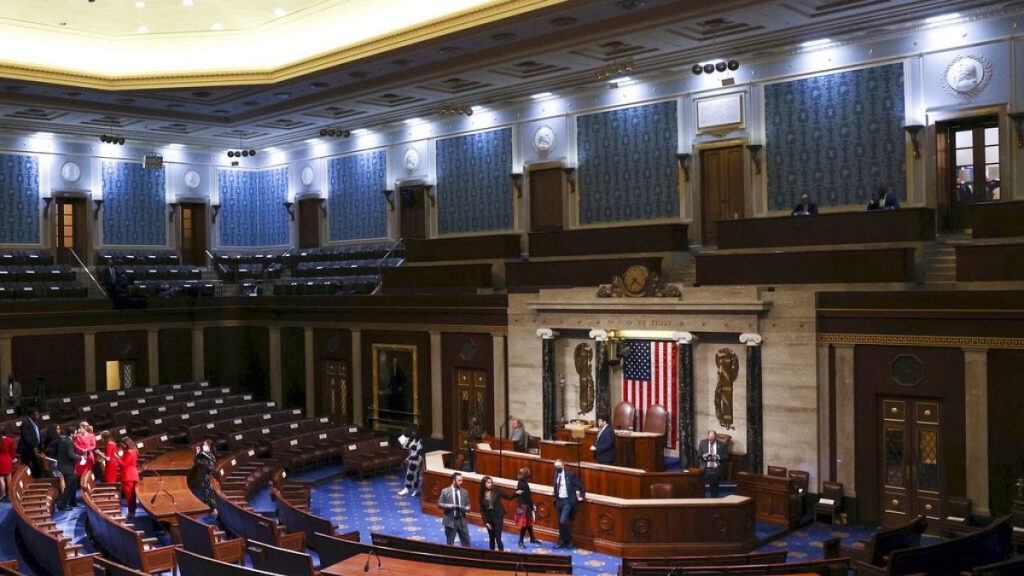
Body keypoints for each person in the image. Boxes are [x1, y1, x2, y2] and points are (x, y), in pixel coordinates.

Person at [551, 459, 585, 549]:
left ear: (563, 466)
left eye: (558, 466)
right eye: (555, 467)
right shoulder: (555, 475)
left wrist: (582, 495)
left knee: (563, 521)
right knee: (560, 523)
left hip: (567, 501)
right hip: (559, 501)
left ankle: (569, 540)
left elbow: (580, 485)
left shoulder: (569, 475)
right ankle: (562, 541)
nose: (557, 468)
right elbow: (555, 486)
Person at [478, 475, 515, 551]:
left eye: (491, 482)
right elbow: (482, 510)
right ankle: (492, 553)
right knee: (491, 537)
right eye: (488, 482)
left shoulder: (496, 490)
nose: (490, 484)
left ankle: (501, 554)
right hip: (489, 519)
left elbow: (508, 497)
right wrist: (486, 522)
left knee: (498, 538)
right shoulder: (481, 494)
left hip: (498, 517)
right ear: (484, 484)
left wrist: (516, 494)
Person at [438, 471, 471, 546]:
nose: (461, 482)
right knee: (450, 543)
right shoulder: (445, 491)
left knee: (467, 542)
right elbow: (439, 504)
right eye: (459, 480)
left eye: (462, 480)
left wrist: (468, 508)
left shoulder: (465, 492)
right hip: (450, 521)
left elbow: (468, 505)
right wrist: (447, 506)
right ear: (454, 480)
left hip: (462, 521)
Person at [514, 467, 541, 548]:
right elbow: (527, 497)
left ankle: (532, 538)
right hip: (524, 507)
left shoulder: (520, 482)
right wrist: (532, 506)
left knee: (528, 524)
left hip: (522, 506)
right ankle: (520, 542)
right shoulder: (524, 484)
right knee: (524, 525)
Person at [55, 427, 80, 511]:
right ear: (71, 434)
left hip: (66, 466)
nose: (76, 435)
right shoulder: (68, 441)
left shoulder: (65, 439)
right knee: (69, 486)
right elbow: (71, 454)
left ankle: (73, 502)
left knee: (73, 484)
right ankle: (62, 505)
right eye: (75, 433)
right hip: (66, 467)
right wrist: (81, 458)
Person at [698, 430, 729, 497]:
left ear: (716, 437)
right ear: (707, 436)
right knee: (698, 483)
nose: (711, 439)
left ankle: (714, 499)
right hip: (705, 467)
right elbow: (699, 454)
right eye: (710, 437)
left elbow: (726, 456)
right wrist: (704, 455)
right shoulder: (702, 442)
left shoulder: (722, 444)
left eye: (712, 438)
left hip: (716, 467)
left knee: (714, 481)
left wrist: (718, 456)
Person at [397, 427, 424, 497]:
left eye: (414, 433)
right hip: (411, 459)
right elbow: (407, 446)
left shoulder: (420, 442)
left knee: (413, 474)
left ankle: (409, 489)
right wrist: (403, 444)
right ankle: (411, 489)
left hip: (416, 459)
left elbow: (418, 454)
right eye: (412, 432)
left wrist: (409, 458)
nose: (413, 434)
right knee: (411, 474)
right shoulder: (412, 440)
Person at [17, 409, 42, 477]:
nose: (38, 415)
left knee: (36, 465)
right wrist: (34, 446)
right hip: (28, 449)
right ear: (32, 415)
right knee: (26, 465)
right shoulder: (25, 423)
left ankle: (37, 478)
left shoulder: (35, 422)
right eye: (36, 414)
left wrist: (40, 447)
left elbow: (38, 434)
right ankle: (28, 479)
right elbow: (26, 437)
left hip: (34, 447)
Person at [119, 437, 140, 519]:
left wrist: (117, 458)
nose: (121, 446)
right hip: (133, 474)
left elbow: (124, 464)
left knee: (129, 496)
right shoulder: (134, 450)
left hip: (128, 476)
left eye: (122, 444)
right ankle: (132, 511)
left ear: (126, 444)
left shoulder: (128, 452)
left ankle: (131, 513)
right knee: (132, 496)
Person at [194, 438, 217, 511]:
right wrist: (197, 454)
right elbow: (197, 462)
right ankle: (207, 508)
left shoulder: (211, 456)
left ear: (209, 447)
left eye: (205, 445)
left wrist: (202, 464)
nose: (203, 446)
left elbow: (210, 468)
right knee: (204, 494)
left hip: (208, 478)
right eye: (203, 444)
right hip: (203, 477)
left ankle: (214, 510)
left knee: (210, 495)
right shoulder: (203, 455)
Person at [0, 427, 15, 501]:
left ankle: (3, 494)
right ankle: (11, 494)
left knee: (1, 479)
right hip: (8, 460)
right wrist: (13, 458)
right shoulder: (9, 440)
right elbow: (12, 451)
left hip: (1, 461)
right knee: (9, 479)